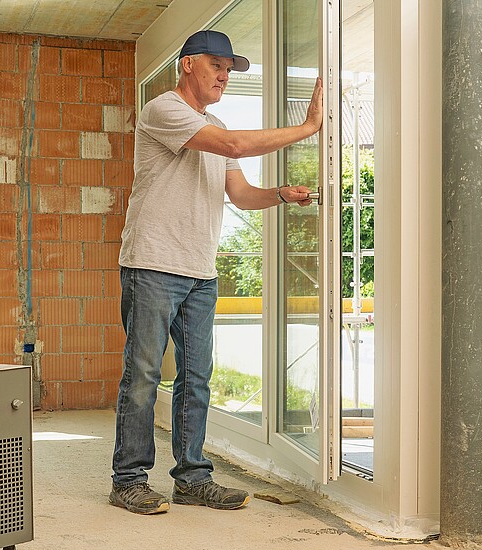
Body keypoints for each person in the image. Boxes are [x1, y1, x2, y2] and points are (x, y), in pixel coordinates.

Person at [110, 29, 324, 514]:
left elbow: (242, 193)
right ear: (188, 65)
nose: (224, 76)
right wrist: (307, 128)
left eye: (229, 70)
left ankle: (191, 478)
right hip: (152, 264)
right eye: (216, 66)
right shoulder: (164, 110)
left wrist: (280, 195)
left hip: (199, 270)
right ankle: (128, 480)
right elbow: (230, 146)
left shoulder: (217, 123)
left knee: (196, 377)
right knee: (143, 376)